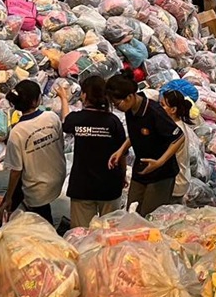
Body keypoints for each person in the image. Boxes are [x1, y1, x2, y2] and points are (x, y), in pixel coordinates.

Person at [105, 74, 184, 216]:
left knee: (150, 217)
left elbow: (178, 137)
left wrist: (159, 162)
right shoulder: (130, 110)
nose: (117, 107)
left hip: (161, 173)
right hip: (141, 169)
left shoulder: (154, 112)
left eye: (117, 104)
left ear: (129, 97)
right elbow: (136, 134)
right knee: (132, 212)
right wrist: (121, 150)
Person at [0, 79, 68, 224]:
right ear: (36, 102)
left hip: (38, 190)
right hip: (58, 177)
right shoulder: (52, 117)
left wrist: (9, 196)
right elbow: (60, 146)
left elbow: (16, 171)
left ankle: (5, 210)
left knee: (16, 186)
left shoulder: (17, 132)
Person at [63, 75, 127, 227]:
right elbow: (122, 154)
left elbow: (66, 122)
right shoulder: (113, 121)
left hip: (82, 186)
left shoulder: (78, 119)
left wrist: (64, 99)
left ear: (84, 95)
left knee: (81, 235)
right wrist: (122, 176)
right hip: (109, 186)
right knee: (109, 234)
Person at [160, 89, 195, 205]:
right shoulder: (177, 126)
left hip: (174, 184)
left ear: (173, 110)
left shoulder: (174, 130)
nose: (159, 109)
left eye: (163, 105)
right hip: (180, 181)